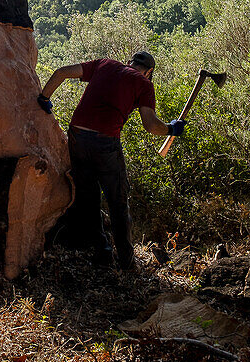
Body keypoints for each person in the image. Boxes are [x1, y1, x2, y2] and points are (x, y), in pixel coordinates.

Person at [37, 51, 184, 270]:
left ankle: (102, 252)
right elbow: (151, 126)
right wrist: (171, 128)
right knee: (118, 201)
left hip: (77, 135)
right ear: (149, 71)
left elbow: (61, 72)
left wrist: (44, 98)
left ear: (129, 62)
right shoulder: (144, 83)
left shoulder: (104, 64)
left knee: (88, 198)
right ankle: (126, 261)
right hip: (104, 142)